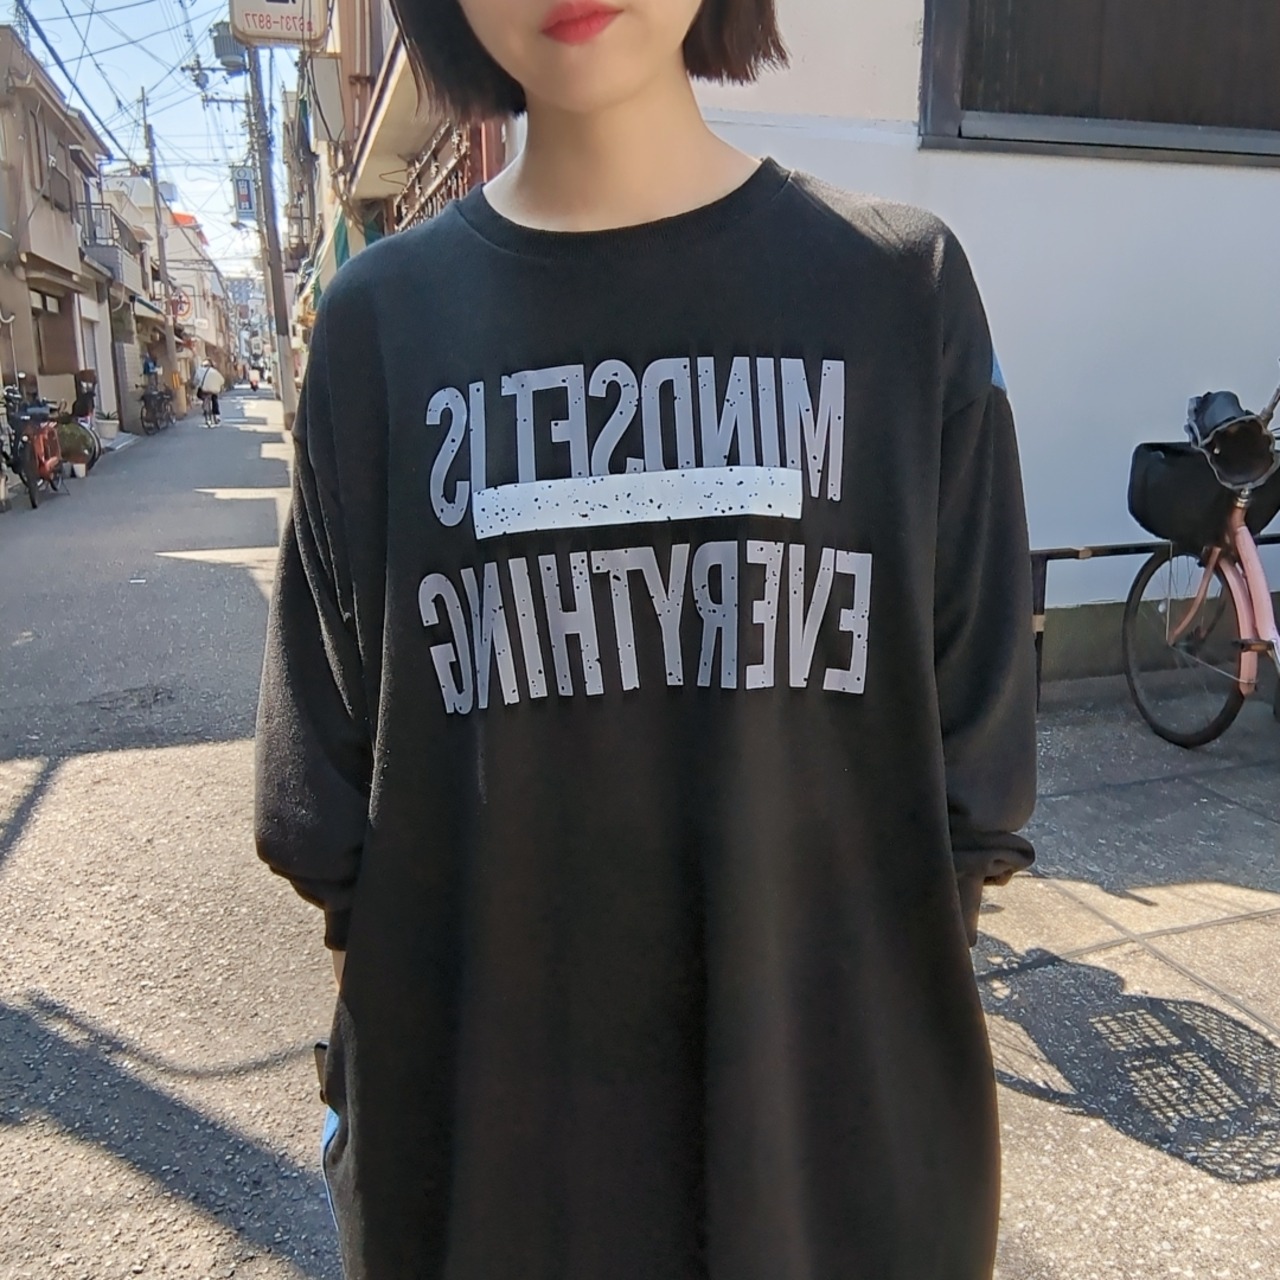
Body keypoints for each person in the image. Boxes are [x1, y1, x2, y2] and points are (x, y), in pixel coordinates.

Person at [254, 1, 1037, 1277]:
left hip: (832, 1167)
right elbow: (323, 794)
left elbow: (976, 752)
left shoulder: (899, 291)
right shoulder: (377, 327)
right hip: (484, 1172)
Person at [195, 360, 224, 425]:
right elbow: (222, 380)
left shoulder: (199, 371)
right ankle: (216, 416)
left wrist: (195, 385)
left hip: (204, 390)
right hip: (213, 390)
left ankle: (205, 407)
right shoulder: (214, 372)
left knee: (201, 396)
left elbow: (195, 380)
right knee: (214, 399)